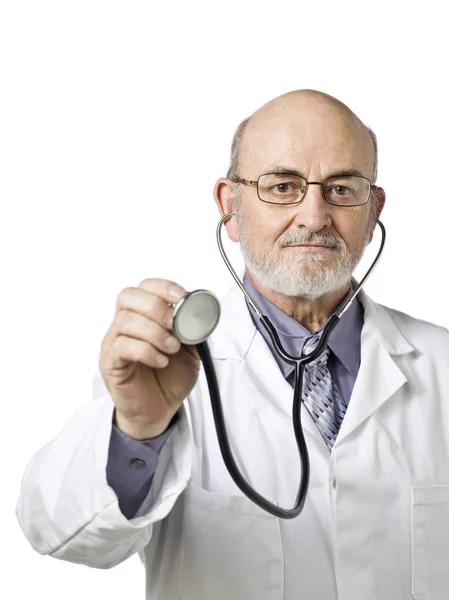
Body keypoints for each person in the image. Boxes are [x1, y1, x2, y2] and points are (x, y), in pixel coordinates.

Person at [16, 90, 449, 600]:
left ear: (373, 208)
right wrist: (138, 430)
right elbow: (61, 534)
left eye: (340, 188)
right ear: (231, 206)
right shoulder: (163, 367)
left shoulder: (441, 365)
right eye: (283, 186)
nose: (314, 216)